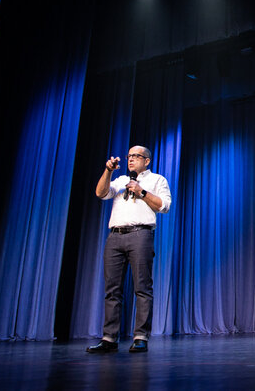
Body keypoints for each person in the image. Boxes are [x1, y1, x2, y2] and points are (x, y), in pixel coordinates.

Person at [86, 145, 172, 353]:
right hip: (115, 236)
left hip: (140, 234)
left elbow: (164, 206)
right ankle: (109, 338)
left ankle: (141, 336)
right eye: (129, 156)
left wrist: (141, 192)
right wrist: (108, 170)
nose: (131, 159)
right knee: (112, 290)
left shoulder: (157, 180)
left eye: (136, 156)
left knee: (142, 287)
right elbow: (100, 193)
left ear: (147, 161)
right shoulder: (121, 181)